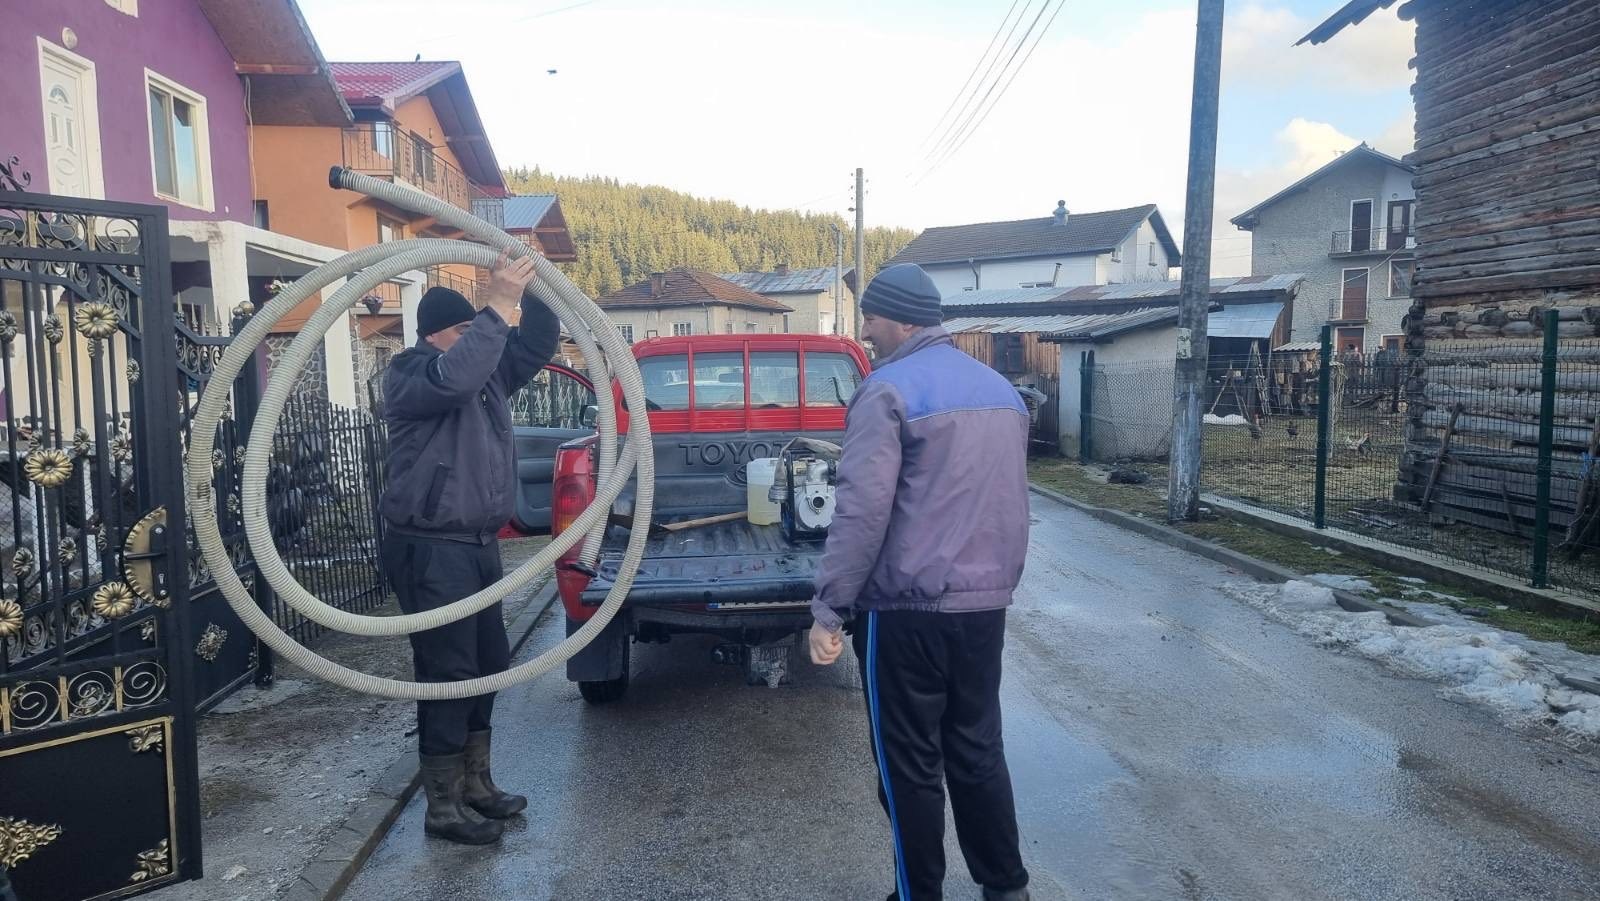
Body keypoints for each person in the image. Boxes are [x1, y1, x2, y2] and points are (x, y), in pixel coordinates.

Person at [809, 263, 1032, 901]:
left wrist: (829, 609)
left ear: (903, 321)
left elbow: (861, 512)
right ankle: (1006, 888)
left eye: (871, 318)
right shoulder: (1001, 391)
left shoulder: (886, 391)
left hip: (906, 612)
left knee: (908, 766)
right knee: (977, 749)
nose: (866, 332)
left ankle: (918, 894)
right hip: (984, 606)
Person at [380, 250, 559, 845]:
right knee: (448, 673)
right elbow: (455, 377)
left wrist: (535, 291)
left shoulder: (487, 372)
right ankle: (443, 806)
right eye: (467, 328)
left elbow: (535, 344)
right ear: (435, 334)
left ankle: (476, 784)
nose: (482, 337)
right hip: (431, 548)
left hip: (477, 544)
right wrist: (498, 304)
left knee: (486, 666)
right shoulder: (411, 375)